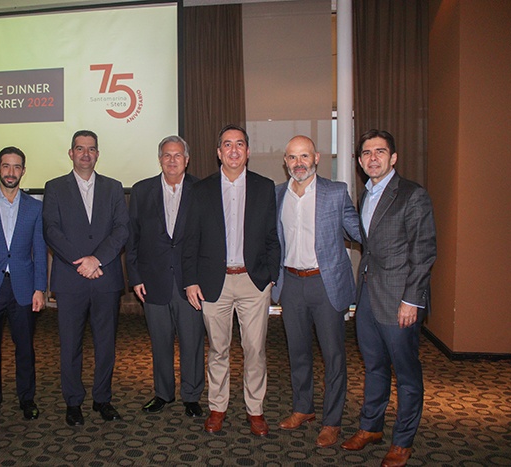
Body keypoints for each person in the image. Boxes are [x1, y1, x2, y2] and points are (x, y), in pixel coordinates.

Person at [341, 130, 436, 467]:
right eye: (366, 153)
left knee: (406, 374)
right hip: (368, 294)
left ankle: (402, 442)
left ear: (393, 158)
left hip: (400, 300)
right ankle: (371, 427)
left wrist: (412, 300)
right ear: (360, 160)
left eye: (380, 152)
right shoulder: (366, 195)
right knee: (374, 366)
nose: (373, 158)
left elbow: (423, 252)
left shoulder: (413, 195)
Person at [182, 124, 280, 436]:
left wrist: (271, 277)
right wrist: (190, 281)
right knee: (218, 350)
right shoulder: (201, 190)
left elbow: (272, 237)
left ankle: (255, 410)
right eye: (227, 144)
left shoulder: (265, 187)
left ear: (247, 152)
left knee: (255, 351)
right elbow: (190, 239)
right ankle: (217, 407)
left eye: (239, 144)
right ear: (218, 152)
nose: (233, 150)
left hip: (253, 282)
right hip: (214, 283)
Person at [271, 135, 361, 448]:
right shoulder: (277, 194)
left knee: (333, 356)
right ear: (285, 161)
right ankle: (303, 408)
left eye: (304, 156)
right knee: (297, 352)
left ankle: (332, 421)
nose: (299, 163)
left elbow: (358, 230)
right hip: (291, 283)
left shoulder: (335, 192)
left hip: (326, 283)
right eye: (292, 157)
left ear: (317, 158)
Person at [43, 130, 129, 426]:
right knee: (70, 345)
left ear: (97, 154)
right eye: (80, 149)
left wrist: (96, 259)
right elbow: (51, 230)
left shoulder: (113, 187)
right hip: (71, 278)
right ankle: (73, 401)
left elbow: (122, 229)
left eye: (91, 149)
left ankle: (102, 398)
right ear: (71, 153)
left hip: (105, 277)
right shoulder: (54, 187)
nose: (85, 154)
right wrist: (81, 262)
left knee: (106, 344)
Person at [126, 135, 205, 418]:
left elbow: (208, 238)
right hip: (152, 280)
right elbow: (132, 238)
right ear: (160, 159)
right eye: (167, 155)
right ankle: (163, 393)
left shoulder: (201, 190)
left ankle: (192, 396)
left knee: (192, 342)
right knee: (159, 341)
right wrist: (135, 277)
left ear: (187, 160)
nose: (172, 160)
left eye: (178, 155)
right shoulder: (141, 190)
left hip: (190, 282)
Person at [0, 146, 47, 427]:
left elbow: (39, 251)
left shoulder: (35, 207)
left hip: (23, 288)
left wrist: (40, 288)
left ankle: (27, 399)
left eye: (16, 166)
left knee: (25, 349)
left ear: (23, 171)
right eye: (6, 166)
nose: (11, 172)